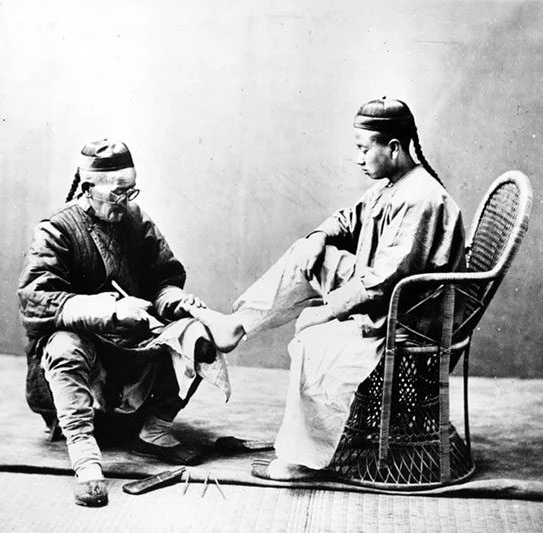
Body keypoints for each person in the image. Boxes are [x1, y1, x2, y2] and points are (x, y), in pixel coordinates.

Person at [185, 98, 465, 481]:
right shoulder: (393, 185)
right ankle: (238, 326)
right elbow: (348, 220)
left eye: (364, 148)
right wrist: (318, 236)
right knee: (306, 252)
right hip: (383, 300)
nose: (358, 158)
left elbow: (384, 282)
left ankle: (303, 459)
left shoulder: (423, 199)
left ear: (394, 148)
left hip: (403, 320)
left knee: (312, 341)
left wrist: (326, 309)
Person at [18, 139, 230, 507]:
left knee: (197, 337)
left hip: (133, 345)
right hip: (85, 354)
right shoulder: (56, 230)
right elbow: (36, 300)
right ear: (88, 188)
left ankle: (154, 432)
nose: (126, 200)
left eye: (131, 190)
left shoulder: (134, 218)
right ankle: (85, 461)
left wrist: (175, 301)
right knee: (65, 344)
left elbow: (162, 277)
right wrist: (110, 311)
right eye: (118, 193)